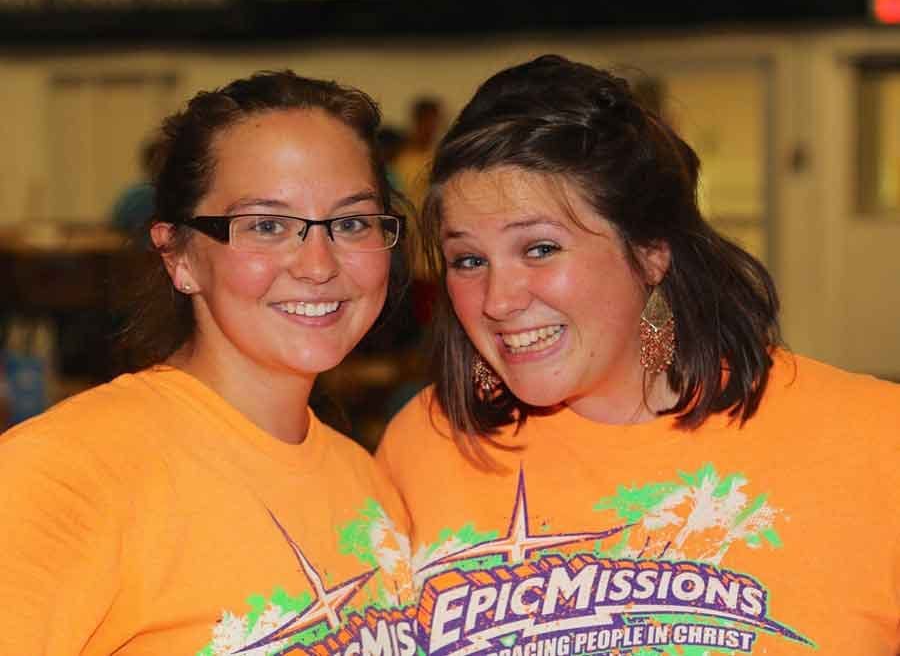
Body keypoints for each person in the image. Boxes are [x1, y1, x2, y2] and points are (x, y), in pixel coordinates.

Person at [376, 55, 900, 655]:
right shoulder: (426, 446)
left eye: (540, 248)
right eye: (469, 260)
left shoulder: (876, 440)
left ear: (651, 251)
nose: (498, 299)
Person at [0, 70, 415, 655]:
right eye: (268, 225)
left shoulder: (367, 485)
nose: (319, 263)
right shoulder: (66, 474)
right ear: (178, 256)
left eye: (349, 223)